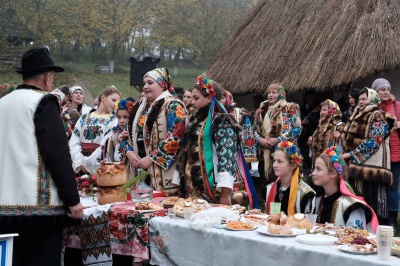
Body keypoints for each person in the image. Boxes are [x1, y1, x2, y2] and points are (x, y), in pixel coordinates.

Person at [0, 47, 83, 266]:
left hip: (3, 208)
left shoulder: (2, 104)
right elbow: (57, 154)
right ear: (47, 77)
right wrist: (73, 200)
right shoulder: (43, 102)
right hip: (38, 212)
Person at [175, 74, 259, 208]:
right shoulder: (194, 121)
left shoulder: (222, 122)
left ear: (209, 98)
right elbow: (185, 152)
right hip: (195, 186)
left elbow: (227, 156)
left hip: (215, 189)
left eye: (196, 98)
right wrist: (179, 180)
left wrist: (225, 192)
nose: (192, 102)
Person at [127, 67, 187, 196]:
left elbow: (177, 135)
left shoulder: (173, 105)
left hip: (163, 172)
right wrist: (129, 152)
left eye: (150, 82)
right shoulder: (139, 108)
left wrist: (151, 158)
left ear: (162, 85)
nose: (145, 86)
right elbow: (125, 135)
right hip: (138, 168)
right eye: (144, 83)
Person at [340, 87, 395, 223]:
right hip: (359, 167)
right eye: (360, 99)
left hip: (373, 168)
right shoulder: (357, 115)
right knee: (360, 200)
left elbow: (374, 142)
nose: (361, 102)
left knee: (371, 203)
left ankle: (374, 231)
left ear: (372, 99)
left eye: (364, 99)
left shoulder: (377, 115)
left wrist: (350, 155)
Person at [311, 147, 378, 233]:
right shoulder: (317, 199)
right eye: (314, 168)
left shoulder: (351, 206)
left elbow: (356, 238)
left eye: (318, 169)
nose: (313, 173)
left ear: (333, 173)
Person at [253, 84, 302, 184]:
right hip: (264, 155)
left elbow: (297, 129)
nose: (270, 95)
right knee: (265, 183)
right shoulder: (262, 109)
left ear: (281, 94)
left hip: (284, 154)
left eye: (274, 93)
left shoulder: (289, 108)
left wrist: (278, 140)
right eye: (269, 93)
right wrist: (260, 140)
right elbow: (253, 130)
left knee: (283, 183)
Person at [69, 85, 121, 174]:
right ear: (103, 97)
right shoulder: (84, 117)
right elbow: (74, 140)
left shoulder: (115, 121)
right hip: (81, 163)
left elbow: (105, 144)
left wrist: (88, 163)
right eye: (113, 100)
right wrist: (79, 161)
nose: (115, 105)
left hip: (101, 164)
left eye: (118, 103)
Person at [374, 78, 400, 233]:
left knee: (393, 186)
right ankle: (378, 216)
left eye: (387, 89)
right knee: (378, 185)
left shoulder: (397, 106)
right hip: (377, 153)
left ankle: (392, 220)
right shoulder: (373, 107)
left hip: (395, 151)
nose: (386, 92)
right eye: (382, 89)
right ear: (375, 92)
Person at [266, 141, 315, 215]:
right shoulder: (270, 188)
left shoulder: (305, 193)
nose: (274, 165)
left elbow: (307, 222)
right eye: (274, 161)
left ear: (292, 165)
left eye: (279, 161)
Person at [308, 99, 342, 167]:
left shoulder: (339, 127)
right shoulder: (318, 129)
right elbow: (313, 154)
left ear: (333, 111)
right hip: (318, 167)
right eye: (321, 110)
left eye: (325, 110)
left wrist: (339, 140)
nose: (322, 112)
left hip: (331, 167)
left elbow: (341, 151)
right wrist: (311, 145)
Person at [298, 90, 320, 171]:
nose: (310, 99)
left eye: (312, 97)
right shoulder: (303, 107)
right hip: (303, 136)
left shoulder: (317, 108)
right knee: (304, 154)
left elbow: (319, 121)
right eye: (308, 97)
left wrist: (310, 122)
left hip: (312, 134)